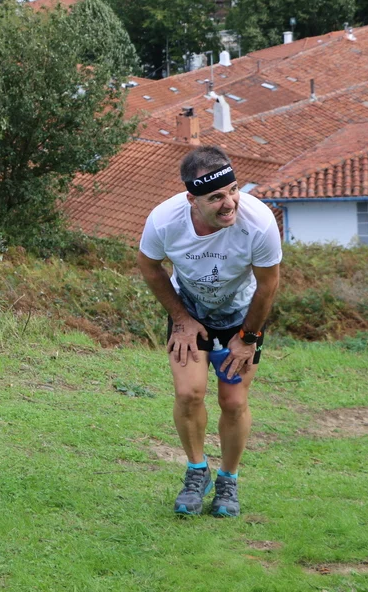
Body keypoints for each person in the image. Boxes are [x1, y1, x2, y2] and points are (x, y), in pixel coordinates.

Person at [137, 146, 282, 517]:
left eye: (233, 190)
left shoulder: (259, 222)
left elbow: (268, 285)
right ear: (192, 200)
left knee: (233, 401)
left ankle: (228, 480)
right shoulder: (164, 221)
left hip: (242, 317)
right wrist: (180, 318)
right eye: (216, 197)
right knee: (189, 393)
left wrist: (248, 337)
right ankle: (196, 471)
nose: (229, 203)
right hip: (190, 314)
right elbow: (149, 266)